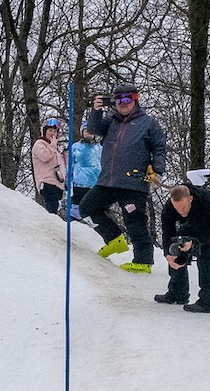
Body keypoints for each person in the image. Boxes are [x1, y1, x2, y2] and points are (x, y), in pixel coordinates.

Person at [81, 82, 169, 273]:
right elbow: (94, 129)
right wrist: (96, 111)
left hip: (134, 182)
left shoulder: (148, 123)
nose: (123, 103)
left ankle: (143, 261)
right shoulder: (111, 121)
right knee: (86, 207)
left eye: (127, 99)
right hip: (109, 179)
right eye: (118, 99)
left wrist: (158, 171)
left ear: (135, 100)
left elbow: (159, 148)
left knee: (135, 220)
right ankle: (114, 239)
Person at [156, 182, 210, 312]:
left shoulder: (206, 201)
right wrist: (168, 253)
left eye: (184, 208)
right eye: (178, 209)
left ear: (191, 199)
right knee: (176, 246)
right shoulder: (169, 208)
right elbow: (167, 232)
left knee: (207, 253)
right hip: (193, 225)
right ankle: (178, 293)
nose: (181, 212)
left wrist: (194, 242)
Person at [31, 118, 67, 214]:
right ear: (45, 132)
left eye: (55, 131)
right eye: (50, 131)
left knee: (55, 208)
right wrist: (53, 145)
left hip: (58, 183)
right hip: (47, 182)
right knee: (51, 207)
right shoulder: (39, 144)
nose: (52, 133)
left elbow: (62, 165)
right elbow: (45, 156)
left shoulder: (57, 147)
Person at [68, 128, 102, 217]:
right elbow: (70, 165)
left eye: (91, 131)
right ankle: (74, 225)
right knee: (76, 208)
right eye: (86, 131)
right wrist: (68, 180)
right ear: (82, 133)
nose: (88, 133)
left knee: (93, 210)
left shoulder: (100, 148)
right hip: (79, 184)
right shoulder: (75, 147)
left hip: (95, 184)